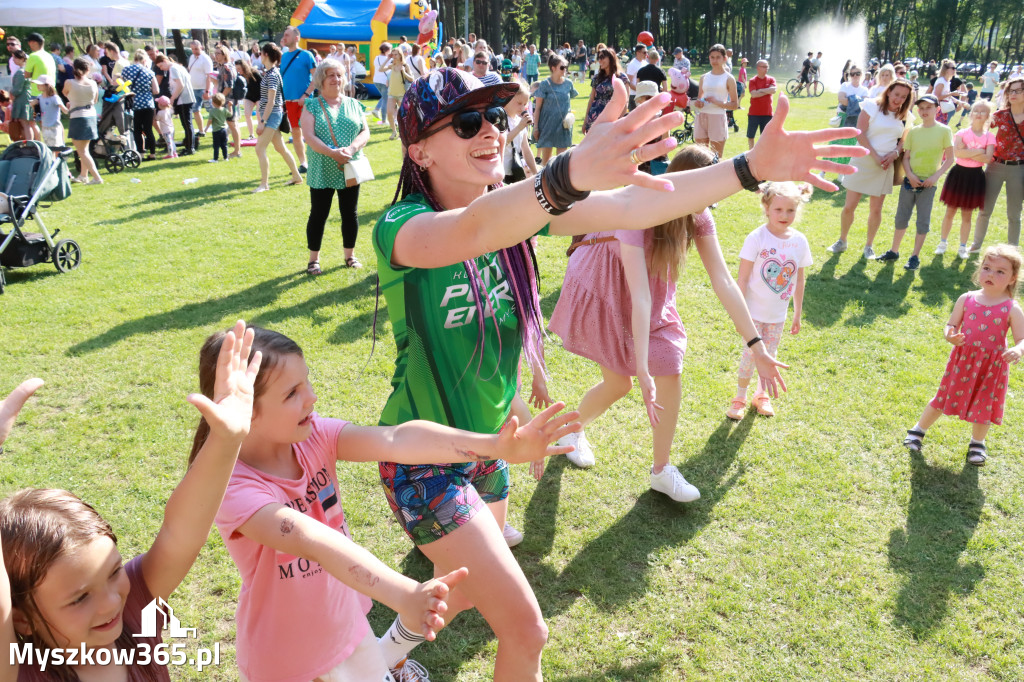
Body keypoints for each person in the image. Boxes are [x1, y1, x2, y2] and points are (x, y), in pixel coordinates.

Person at [374, 66, 863, 680]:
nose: (490, 131)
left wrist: (747, 170)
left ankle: (380, 653)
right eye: (468, 121)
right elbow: (472, 229)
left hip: (492, 448)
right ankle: (371, 657)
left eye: (497, 117)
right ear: (418, 149)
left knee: (463, 591)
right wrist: (569, 174)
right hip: (423, 457)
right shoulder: (400, 227)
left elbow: (638, 203)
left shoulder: (521, 213)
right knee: (526, 628)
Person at [197, 325, 576, 682]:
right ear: (245, 410)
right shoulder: (231, 486)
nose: (311, 395)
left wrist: (494, 446)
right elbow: (309, 539)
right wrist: (404, 593)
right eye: (292, 393)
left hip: (349, 629)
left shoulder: (313, 437)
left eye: (306, 380)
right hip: (286, 659)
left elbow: (396, 439)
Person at [0, 322, 260, 679]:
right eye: (79, 598)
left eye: (113, 573)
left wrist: (227, 441)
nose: (110, 602)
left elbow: (179, 534)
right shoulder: (18, 670)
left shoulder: (135, 610)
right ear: (22, 620)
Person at [549, 145, 787, 497]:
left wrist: (757, 346)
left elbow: (723, 281)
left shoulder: (699, 215)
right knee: (620, 384)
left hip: (647, 288)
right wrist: (641, 368)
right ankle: (572, 429)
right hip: (605, 283)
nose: (709, 202)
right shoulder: (640, 208)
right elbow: (638, 295)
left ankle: (661, 470)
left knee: (671, 366)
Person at [902, 245, 1024, 466]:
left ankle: (977, 443)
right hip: (963, 361)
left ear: (1012, 278)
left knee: (985, 405)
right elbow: (950, 324)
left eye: (1000, 272)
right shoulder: (966, 298)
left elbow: (1022, 339)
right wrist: (950, 336)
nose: (990, 274)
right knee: (943, 396)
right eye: (987, 268)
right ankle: (918, 431)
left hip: (991, 366)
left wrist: (1018, 349)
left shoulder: (1011, 308)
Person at [725, 181, 812, 419]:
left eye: (790, 210)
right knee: (749, 355)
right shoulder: (756, 238)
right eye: (778, 210)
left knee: (770, 356)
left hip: (778, 316)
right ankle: (740, 397)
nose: (784, 215)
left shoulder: (799, 241)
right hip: (751, 315)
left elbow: (799, 280)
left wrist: (797, 313)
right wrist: (738, 313)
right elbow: (741, 279)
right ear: (766, 207)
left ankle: (761, 395)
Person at [827, 78, 913, 258]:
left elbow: (904, 140)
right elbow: (860, 133)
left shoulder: (906, 116)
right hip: (864, 160)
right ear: (889, 91)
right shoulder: (871, 106)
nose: (898, 99)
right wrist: (875, 156)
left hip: (885, 165)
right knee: (849, 206)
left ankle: (869, 246)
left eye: (903, 97)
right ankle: (842, 240)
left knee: (876, 209)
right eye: (896, 94)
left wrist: (895, 154)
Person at [299, 58, 371, 273]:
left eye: (339, 75)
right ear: (321, 79)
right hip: (322, 168)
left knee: (350, 213)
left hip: (350, 166)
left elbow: (365, 132)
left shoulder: (353, 104)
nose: (336, 79)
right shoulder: (312, 105)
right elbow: (308, 136)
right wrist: (332, 153)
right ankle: (314, 260)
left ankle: (350, 256)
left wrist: (350, 150)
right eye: (331, 75)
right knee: (319, 214)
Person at [875, 94, 955, 269]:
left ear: (937, 109)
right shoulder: (913, 131)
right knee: (901, 218)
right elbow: (906, 158)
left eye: (929, 108)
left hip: (928, 184)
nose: (924, 111)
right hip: (909, 182)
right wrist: (910, 175)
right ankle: (893, 251)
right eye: (922, 108)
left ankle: (914, 256)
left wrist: (935, 177)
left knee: (922, 221)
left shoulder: (944, 131)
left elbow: (950, 159)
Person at [970, 75, 1024, 251]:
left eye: (1018, 90)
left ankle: (1012, 250)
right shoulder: (1001, 115)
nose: (1012, 94)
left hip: (1019, 169)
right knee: (985, 210)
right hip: (995, 166)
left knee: (1014, 214)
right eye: (1010, 90)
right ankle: (976, 245)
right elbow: (979, 129)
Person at [937, 100, 996, 259]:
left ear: (988, 116)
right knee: (950, 211)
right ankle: (942, 243)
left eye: (983, 111)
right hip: (958, 175)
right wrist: (978, 151)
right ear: (970, 114)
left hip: (975, 177)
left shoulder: (989, 136)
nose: (978, 113)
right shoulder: (962, 133)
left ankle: (963, 247)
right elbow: (958, 153)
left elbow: (988, 158)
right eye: (976, 110)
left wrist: (967, 150)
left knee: (967, 215)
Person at [253, 42, 303, 193]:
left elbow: (272, 100)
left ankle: (264, 184)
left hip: (272, 115)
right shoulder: (270, 73)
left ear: (266, 54)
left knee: (259, 148)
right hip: (272, 115)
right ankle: (296, 176)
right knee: (280, 147)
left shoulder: (272, 74)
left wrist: (262, 121)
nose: (259, 56)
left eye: (261, 53)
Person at [280, 26, 317, 174]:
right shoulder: (283, 57)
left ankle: (316, 162)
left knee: (310, 133)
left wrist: (306, 95)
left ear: (296, 38)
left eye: (287, 35)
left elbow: (317, 78)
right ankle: (304, 164)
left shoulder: (306, 55)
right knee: (295, 132)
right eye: (284, 35)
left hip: (305, 101)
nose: (284, 37)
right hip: (289, 102)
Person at [532, 54, 578, 164]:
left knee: (561, 162)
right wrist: (536, 127)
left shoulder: (568, 83)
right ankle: (546, 181)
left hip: (563, 126)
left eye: (566, 67)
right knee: (546, 163)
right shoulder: (544, 84)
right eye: (562, 67)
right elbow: (537, 108)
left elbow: (569, 102)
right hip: (547, 126)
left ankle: (559, 181)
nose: (565, 70)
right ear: (553, 68)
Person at [63, 57, 102, 184]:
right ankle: (83, 175)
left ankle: (96, 177)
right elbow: (95, 101)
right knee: (85, 149)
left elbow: (65, 93)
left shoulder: (69, 82)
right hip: (91, 116)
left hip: (78, 116)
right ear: (88, 69)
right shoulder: (93, 83)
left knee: (82, 151)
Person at [694, 43, 738, 157]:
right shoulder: (704, 77)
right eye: (712, 57)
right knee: (700, 157)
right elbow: (700, 98)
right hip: (702, 116)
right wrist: (698, 103)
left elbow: (734, 105)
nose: (715, 60)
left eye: (718, 57)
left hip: (717, 117)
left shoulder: (729, 78)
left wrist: (716, 102)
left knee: (716, 157)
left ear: (724, 58)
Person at [120, 49, 160, 161]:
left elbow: (123, 87)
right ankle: (152, 154)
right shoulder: (149, 72)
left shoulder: (126, 70)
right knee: (148, 129)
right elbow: (156, 90)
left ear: (135, 58)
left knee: (137, 130)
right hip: (148, 103)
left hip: (134, 104)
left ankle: (140, 153)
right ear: (144, 59)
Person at [584, 47, 628, 133]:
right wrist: (585, 120)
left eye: (602, 57)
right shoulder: (597, 78)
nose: (599, 60)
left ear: (611, 58)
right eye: (598, 58)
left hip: (612, 119)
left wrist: (618, 121)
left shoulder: (622, 78)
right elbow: (591, 99)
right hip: (594, 118)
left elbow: (626, 102)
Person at [503, 80, 538, 183]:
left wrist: (536, 174)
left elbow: (526, 150)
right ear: (508, 98)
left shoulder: (520, 121)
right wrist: (519, 127)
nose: (522, 108)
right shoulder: (499, 119)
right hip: (500, 173)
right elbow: (502, 143)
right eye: (519, 103)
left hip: (515, 171)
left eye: (525, 104)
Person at [160, 54, 196, 155]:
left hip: (184, 99)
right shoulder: (179, 67)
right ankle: (188, 145)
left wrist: (172, 99)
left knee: (187, 124)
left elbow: (180, 85)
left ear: (164, 61)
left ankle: (190, 148)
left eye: (161, 66)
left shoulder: (173, 69)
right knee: (186, 124)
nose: (161, 68)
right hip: (185, 98)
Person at [212, 45, 242, 159]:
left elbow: (229, 86)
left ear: (224, 55)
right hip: (228, 99)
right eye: (215, 53)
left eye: (218, 53)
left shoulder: (226, 67)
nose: (216, 56)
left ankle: (237, 151)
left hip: (228, 100)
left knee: (233, 125)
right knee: (233, 125)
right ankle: (237, 150)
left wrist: (220, 98)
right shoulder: (223, 67)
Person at [187, 40, 214, 141]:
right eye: (193, 49)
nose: (194, 51)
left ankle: (216, 129)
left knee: (211, 110)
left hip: (204, 89)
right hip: (194, 88)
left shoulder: (205, 59)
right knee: (195, 110)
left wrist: (207, 91)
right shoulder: (192, 57)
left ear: (201, 47)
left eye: (196, 49)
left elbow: (209, 76)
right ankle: (201, 130)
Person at [746, 59, 776, 149]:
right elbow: (754, 94)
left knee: (765, 136)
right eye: (764, 67)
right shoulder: (753, 80)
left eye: (767, 67)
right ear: (758, 68)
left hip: (767, 113)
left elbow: (773, 90)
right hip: (754, 113)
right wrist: (767, 91)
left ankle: (764, 152)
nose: (766, 68)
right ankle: (751, 152)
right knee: (751, 135)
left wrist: (761, 90)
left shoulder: (771, 79)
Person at [387, 49, 414, 140]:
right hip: (391, 93)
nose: (394, 56)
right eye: (393, 55)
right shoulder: (392, 65)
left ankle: (402, 133)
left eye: (396, 55)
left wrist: (404, 72)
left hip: (402, 94)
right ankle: (394, 131)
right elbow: (380, 69)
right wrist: (387, 59)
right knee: (389, 113)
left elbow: (411, 79)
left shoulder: (405, 66)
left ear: (400, 55)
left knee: (402, 115)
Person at [34, 75, 67, 149]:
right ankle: (52, 160)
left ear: (47, 85)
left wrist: (70, 108)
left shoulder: (55, 98)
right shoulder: (39, 97)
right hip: (44, 127)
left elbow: (65, 111)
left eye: (40, 84)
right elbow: (35, 114)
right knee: (49, 148)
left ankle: (58, 160)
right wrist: (33, 105)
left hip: (54, 127)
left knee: (57, 148)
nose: (37, 85)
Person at [8, 51, 35, 141]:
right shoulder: (26, 70)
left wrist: (11, 92)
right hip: (24, 99)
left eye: (16, 58)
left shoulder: (21, 72)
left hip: (22, 101)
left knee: (25, 124)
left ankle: (29, 143)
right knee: (25, 124)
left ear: (22, 59)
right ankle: (27, 142)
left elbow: (17, 89)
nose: (14, 60)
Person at [22, 33, 55, 98]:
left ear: (34, 42)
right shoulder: (50, 56)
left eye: (29, 42)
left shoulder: (33, 56)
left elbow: (26, 75)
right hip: (51, 92)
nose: (28, 44)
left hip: (37, 93)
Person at [236, 58, 260, 139]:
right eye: (237, 69)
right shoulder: (240, 76)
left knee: (259, 114)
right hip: (249, 96)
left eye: (239, 68)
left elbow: (263, 84)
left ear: (244, 67)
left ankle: (261, 133)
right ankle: (251, 134)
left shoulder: (254, 73)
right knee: (247, 114)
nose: (238, 71)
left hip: (259, 95)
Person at [372, 42, 393, 123]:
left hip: (376, 80)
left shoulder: (376, 58)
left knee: (384, 97)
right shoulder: (389, 59)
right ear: (387, 50)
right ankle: (384, 120)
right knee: (385, 99)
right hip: (385, 81)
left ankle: (377, 109)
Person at [207, 92, 229, 162]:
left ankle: (215, 159)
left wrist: (206, 128)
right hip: (224, 130)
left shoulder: (212, 111)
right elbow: (230, 114)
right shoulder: (224, 109)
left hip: (216, 131)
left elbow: (210, 121)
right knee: (224, 145)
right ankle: (226, 158)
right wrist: (230, 107)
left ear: (213, 103)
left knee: (216, 146)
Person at [625, 44, 648, 110]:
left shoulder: (645, 63)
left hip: (644, 94)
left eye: (646, 52)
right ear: (638, 52)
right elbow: (628, 82)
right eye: (644, 52)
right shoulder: (632, 64)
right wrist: (640, 90)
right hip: (634, 95)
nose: (646, 54)